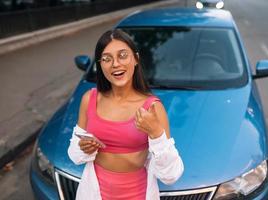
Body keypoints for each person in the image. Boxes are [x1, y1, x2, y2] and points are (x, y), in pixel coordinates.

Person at [68, 29, 184, 200]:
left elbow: (171, 175)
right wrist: (83, 147)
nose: (115, 64)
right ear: (100, 65)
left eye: (122, 55)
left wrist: (156, 133)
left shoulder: (152, 108)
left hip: (137, 194)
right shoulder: (89, 99)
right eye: (107, 59)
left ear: (135, 59)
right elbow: (74, 154)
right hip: (94, 193)